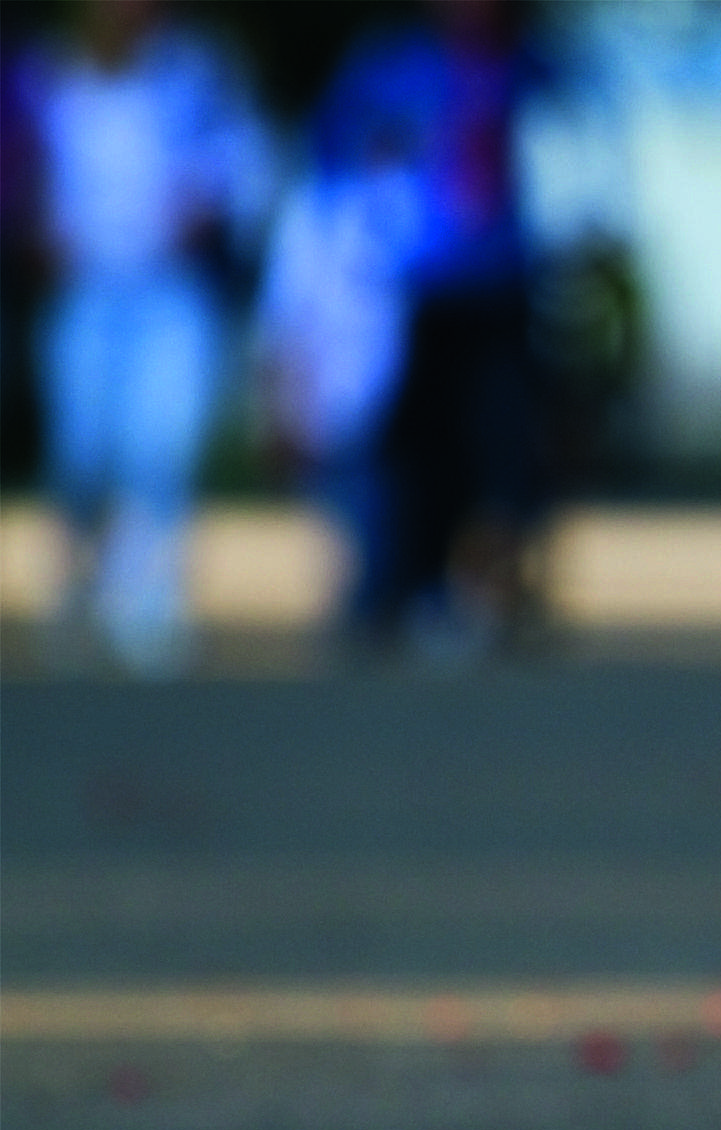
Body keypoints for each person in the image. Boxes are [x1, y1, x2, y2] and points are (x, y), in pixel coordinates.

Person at [14, 0, 267, 676]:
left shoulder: (198, 75)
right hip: (87, 293)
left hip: (169, 292)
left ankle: (149, 605)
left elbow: (245, 165)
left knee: (160, 446)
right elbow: (21, 173)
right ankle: (76, 582)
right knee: (83, 449)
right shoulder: (49, 77)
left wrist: (207, 207)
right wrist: (36, 234)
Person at [312, 0, 549, 660]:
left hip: (505, 287)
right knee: (405, 450)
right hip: (409, 293)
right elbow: (334, 169)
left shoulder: (532, 73)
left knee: (504, 451)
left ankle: (494, 593)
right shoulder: (390, 71)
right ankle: (393, 588)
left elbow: (579, 164)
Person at [252, 143, 426, 649]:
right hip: (338, 395)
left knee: (392, 503)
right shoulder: (317, 207)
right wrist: (283, 405)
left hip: (406, 393)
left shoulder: (418, 196)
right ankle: (368, 606)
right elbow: (287, 317)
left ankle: (390, 602)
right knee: (351, 511)